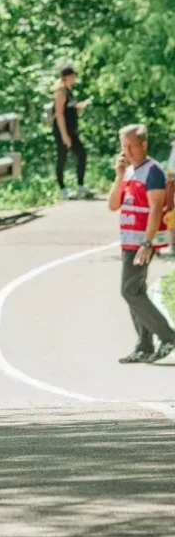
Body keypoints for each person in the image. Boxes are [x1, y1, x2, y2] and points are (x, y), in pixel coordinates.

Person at [108, 123, 175, 364]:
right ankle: (144, 345)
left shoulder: (153, 171)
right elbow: (113, 205)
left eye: (131, 146)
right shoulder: (128, 171)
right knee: (135, 292)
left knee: (129, 290)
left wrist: (147, 243)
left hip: (141, 243)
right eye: (123, 146)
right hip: (128, 241)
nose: (127, 151)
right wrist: (118, 176)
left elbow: (156, 209)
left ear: (144, 144)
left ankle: (167, 336)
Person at [51, 65, 91, 200]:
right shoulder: (60, 92)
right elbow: (59, 114)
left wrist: (78, 108)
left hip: (71, 129)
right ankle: (63, 189)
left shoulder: (69, 91)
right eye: (73, 75)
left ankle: (80, 185)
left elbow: (69, 110)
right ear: (66, 77)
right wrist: (64, 135)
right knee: (62, 158)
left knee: (81, 154)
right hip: (63, 130)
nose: (74, 78)